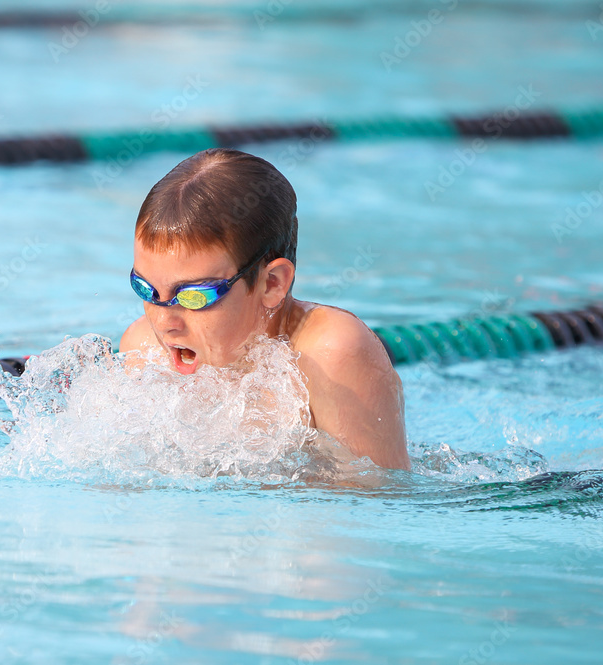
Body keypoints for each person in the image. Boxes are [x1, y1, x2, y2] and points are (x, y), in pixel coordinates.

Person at [119, 148, 410, 471]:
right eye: (145, 289)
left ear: (272, 283)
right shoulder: (143, 351)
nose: (164, 321)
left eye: (194, 296)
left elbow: (379, 503)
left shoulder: (332, 356)